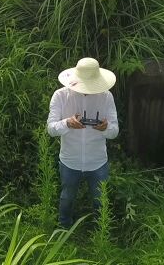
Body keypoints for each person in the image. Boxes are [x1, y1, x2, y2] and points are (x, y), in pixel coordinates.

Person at [47, 57, 119, 228]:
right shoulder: (60, 96)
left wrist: (105, 128)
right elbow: (50, 128)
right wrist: (67, 123)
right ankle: (64, 228)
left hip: (97, 162)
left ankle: (100, 231)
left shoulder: (106, 96)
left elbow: (114, 131)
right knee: (67, 198)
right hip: (69, 161)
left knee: (99, 200)